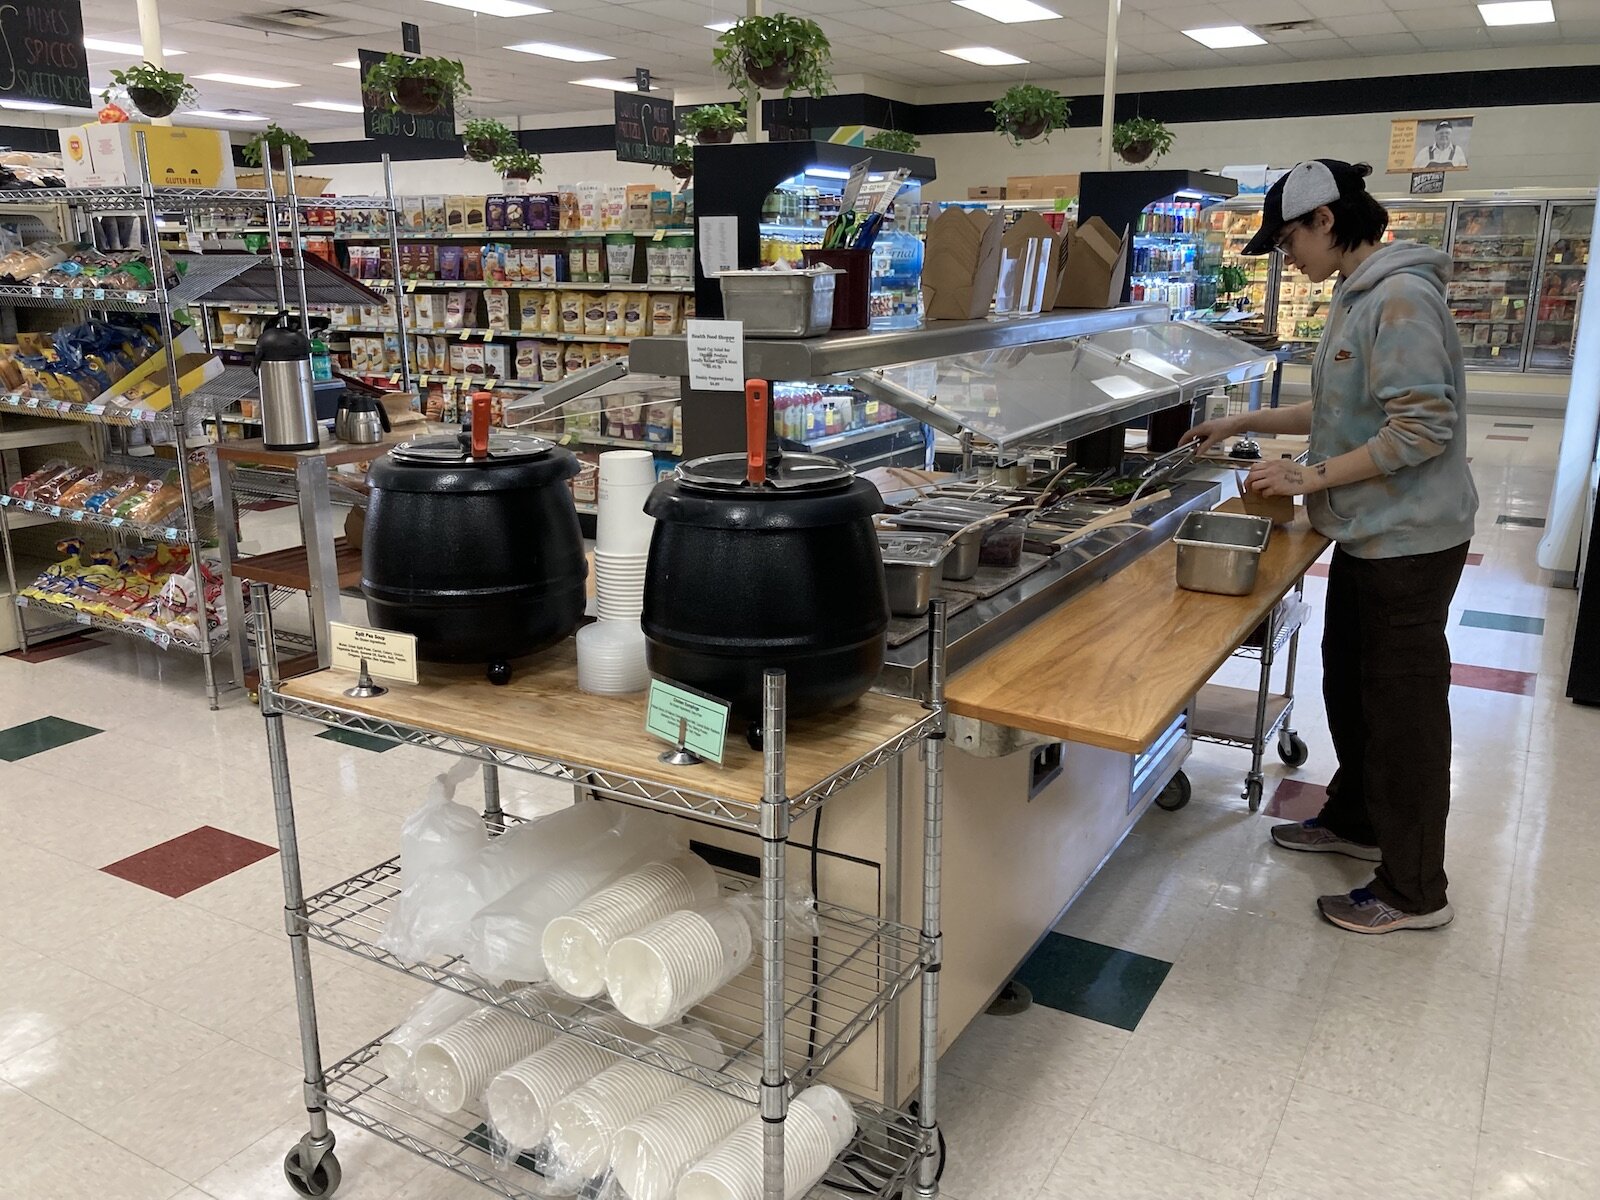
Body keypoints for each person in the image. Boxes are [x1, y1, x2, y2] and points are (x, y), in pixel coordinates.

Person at [1183, 160, 1479, 934]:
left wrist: (1310, 477)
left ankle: (1416, 891)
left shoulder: (1401, 295)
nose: (1287, 260)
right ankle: (1356, 819)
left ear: (1325, 220)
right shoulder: (1358, 294)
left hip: (1411, 541)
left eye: (1287, 241)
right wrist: (1243, 424)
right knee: (1349, 685)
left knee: (1404, 714)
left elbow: (1421, 427)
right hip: (1368, 530)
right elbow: (1344, 407)